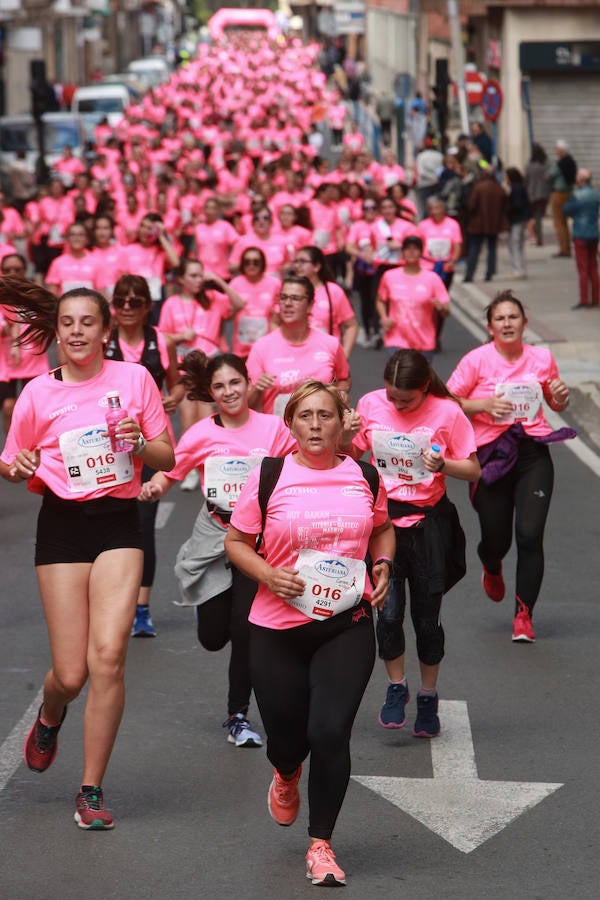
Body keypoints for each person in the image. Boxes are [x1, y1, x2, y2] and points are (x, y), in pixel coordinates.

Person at [0, 280, 174, 829]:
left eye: (87, 323)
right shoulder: (37, 393)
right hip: (62, 529)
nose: (77, 331)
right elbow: (11, 459)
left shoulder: (134, 379)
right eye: (68, 323)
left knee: (108, 658)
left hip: (119, 524)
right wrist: (18, 466)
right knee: (71, 674)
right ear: (56, 332)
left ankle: (91, 789)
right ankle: (51, 714)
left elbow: (166, 453)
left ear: (105, 332)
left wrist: (138, 444)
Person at [225, 380, 395, 887]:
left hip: (346, 623)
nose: (316, 425)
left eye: (326, 415)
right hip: (276, 627)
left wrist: (382, 563)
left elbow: (383, 526)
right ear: (290, 424)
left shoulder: (364, 474)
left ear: (343, 422)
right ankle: (285, 772)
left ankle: (320, 844)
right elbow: (236, 542)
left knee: (329, 731)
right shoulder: (271, 476)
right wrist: (267, 574)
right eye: (306, 416)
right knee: (286, 738)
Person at [139, 352, 295, 747]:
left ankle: (237, 714)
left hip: (257, 540)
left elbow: (299, 467)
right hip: (215, 532)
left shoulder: (274, 428)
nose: (229, 392)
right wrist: (155, 487)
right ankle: (224, 616)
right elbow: (171, 471)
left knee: (246, 631)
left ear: (248, 382)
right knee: (213, 636)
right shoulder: (201, 434)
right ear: (210, 393)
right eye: (220, 387)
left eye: (235, 383)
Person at [340, 350, 480, 736]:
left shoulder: (447, 412)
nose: (398, 405)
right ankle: (396, 687)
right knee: (386, 614)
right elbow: (350, 457)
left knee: (426, 621)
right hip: (383, 523)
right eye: (392, 398)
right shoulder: (370, 404)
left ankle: (428, 696)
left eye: (407, 400)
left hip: (429, 526)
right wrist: (348, 436)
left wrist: (443, 466)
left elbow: (472, 468)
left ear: (424, 388)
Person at [446, 291, 575, 642]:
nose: (507, 323)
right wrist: (483, 403)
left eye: (512, 317)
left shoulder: (541, 358)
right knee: (496, 539)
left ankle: (524, 615)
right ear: (490, 327)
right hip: (490, 455)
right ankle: (491, 562)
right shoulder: (476, 360)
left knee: (530, 535)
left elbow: (554, 398)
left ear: (524, 323)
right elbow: (447, 401)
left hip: (532, 452)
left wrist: (561, 396)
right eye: (500, 318)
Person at [105, 274, 183, 637]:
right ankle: (108, 602)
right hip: (106, 446)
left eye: (135, 302)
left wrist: (174, 398)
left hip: (150, 442)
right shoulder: (103, 339)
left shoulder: (160, 340)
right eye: (121, 301)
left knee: (142, 525)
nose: (126, 308)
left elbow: (176, 381)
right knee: (105, 523)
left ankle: (140, 608)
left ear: (147, 306)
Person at [246, 275, 351, 416]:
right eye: (283, 298)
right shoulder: (261, 347)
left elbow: (344, 378)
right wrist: (257, 389)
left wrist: (341, 393)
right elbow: (247, 406)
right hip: (278, 433)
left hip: (319, 431)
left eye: (295, 298)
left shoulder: (330, 343)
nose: (287, 303)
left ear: (310, 305)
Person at [376, 235, 450, 363]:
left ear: (421, 253)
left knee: (420, 382)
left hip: (423, 341)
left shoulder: (432, 279)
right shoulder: (389, 276)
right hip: (396, 339)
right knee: (398, 380)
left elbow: (446, 310)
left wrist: (441, 308)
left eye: (415, 249)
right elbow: (380, 300)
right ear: (402, 252)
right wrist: (383, 318)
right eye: (407, 248)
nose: (411, 251)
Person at [292, 245, 358, 357]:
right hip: (296, 358)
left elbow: (352, 325)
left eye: (303, 261)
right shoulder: (290, 290)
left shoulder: (333, 291)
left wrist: (343, 356)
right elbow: (276, 321)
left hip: (326, 358)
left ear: (317, 266)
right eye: (296, 261)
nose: (298, 265)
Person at [229, 247, 279, 358]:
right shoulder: (235, 284)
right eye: (247, 262)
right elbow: (228, 314)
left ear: (263, 264)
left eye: (256, 262)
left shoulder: (275, 284)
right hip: (241, 346)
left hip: (267, 345)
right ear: (242, 264)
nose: (251, 265)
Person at [463, 165, 508, 283]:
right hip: (493, 224)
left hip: (477, 224)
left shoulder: (478, 187)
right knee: (492, 249)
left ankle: (469, 274)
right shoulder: (499, 188)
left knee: (474, 249)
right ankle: (490, 273)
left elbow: (471, 206)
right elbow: (505, 207)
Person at [564, 168, 600, 309]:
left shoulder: (577, 195)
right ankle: (596, 298)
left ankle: (584, 299)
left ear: (580, 180)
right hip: (593, 233)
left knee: (583, 268)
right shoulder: (596, 194)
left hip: (580, 233)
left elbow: (567, 210)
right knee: (593, 267)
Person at [547, 140, 577, 258]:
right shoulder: (571, 162)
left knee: (558, 221)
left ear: (561, 150)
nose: (555, 151)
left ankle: (564, 248)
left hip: (559, 193)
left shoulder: (560, 163)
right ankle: (566, 247)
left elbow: (550, 175)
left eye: (557, 149)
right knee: (564, 222)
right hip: (569, 192)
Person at [505, 167, 531, 280]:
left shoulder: (515, 188)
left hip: (516, 219)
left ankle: (518, 269)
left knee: (515, 244)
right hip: (520, 218)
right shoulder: (520, 187)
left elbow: (517, 205)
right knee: (518, 244)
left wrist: (508, 208)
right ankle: (520, 269)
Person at [524, 143, 550, 247]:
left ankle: (536, 237)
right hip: (544, 194)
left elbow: (526, 180)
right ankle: (537, 236)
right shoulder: (547, 165)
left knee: (534, 217)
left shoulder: (530, 166)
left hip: (532, 194)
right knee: (539, 216)